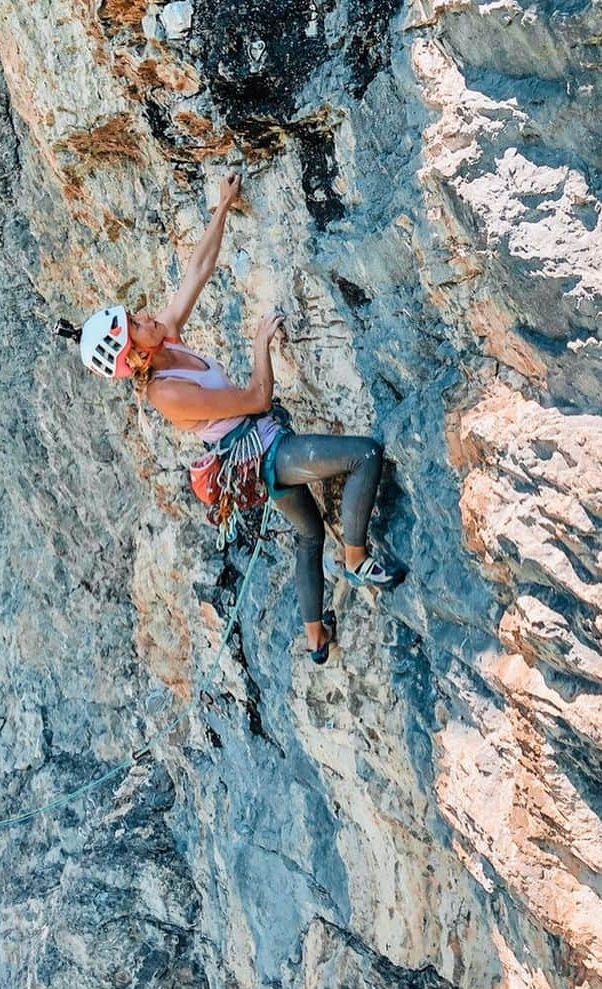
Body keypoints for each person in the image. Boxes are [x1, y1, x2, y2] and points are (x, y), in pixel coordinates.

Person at [61, 171, 404, 664]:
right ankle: (355, 560)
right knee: (365, 455)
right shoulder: (168, 394)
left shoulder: (167, 338)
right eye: (135, 324)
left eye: (135, 315)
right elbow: (257, 400)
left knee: (309, 534)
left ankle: (315, 640)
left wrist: (222, 207)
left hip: (257, 453)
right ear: (133, 355)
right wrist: (260, 344)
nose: (146, 317)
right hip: (265, 455)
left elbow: (196, 271)